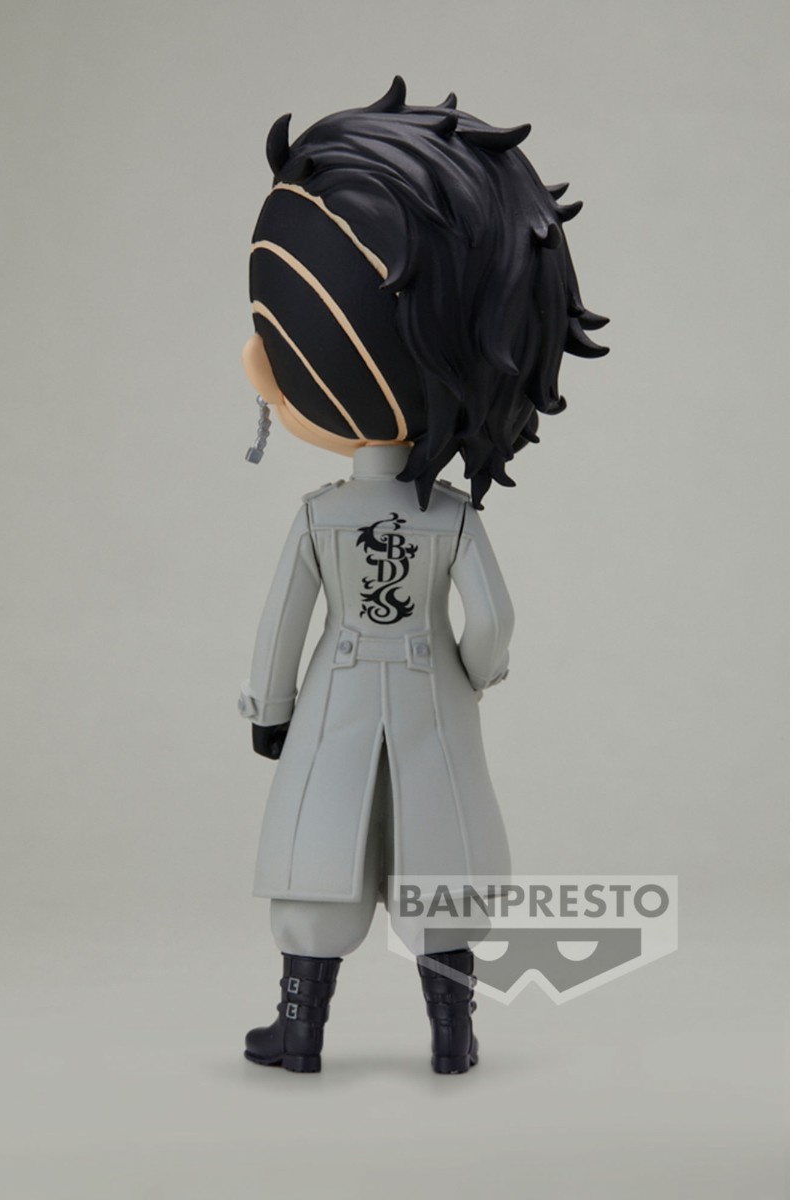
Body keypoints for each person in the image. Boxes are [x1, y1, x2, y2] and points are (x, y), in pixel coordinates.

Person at [235, 77, 608, 1074]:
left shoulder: (321, 516)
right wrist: (469, 672)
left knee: (319, 850)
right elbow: (492, 619)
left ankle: (301, 1029)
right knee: (441, 855)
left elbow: (282, 627)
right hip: (433, 696)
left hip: (336, 695)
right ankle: (453, 1033)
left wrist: (270, 710)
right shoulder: (450, 518)